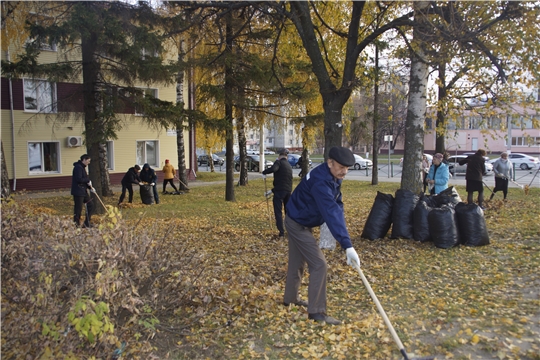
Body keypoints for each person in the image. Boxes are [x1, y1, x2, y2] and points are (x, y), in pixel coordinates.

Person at [283, 146, 361, 325]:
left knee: (297, 262)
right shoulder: (321, 182)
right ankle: (317, 313)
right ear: (329, 162)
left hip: (300, 219)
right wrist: (347, 245)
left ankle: (290, 299)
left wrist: (344, 238)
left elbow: (337, 204)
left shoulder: (333, 176)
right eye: (341, 167)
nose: (345, 172)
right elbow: (330, 211)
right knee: (319, 265)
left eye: (347, 168)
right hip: (297, 224)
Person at [261, 149, 293, 238]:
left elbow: (274, 169)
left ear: (279, 157)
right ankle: (290, 231)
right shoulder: (289, 166)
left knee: (278, 211)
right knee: (288, 212)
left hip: (279, 192)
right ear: (286, 157)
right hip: (288, 191)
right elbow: (285, 181)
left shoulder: (278, 163)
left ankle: (281, 232)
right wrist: (271, 191)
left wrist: (264, 172)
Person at [71, 154, 93, 228]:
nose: (89, 162)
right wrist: (88, 180)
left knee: (91, 205)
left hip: (83, 191)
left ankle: (87, 223)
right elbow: (79, 179)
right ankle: (76, 224)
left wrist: (90, 188)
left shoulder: (82, 167)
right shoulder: (78, 168)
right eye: (88, 161)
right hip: (78, 192)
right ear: (84, 159)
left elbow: (84, 180)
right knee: (78, 209)